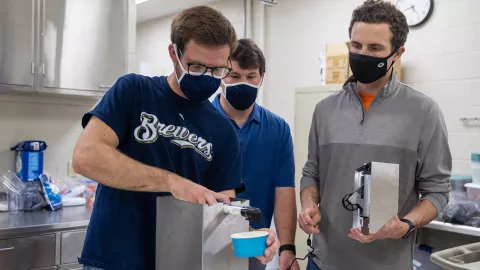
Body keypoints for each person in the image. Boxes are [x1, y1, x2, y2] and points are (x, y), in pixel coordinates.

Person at [72, 6, 279, 270]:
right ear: (174, 54)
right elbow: (86, 157)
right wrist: (171, 182)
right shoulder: (134, 91)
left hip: (180, 262)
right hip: (113, 259)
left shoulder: (223, 131)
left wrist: (255, 237)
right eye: (196, 66)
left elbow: (223, 213)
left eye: (217, 71)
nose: (207, 76)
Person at [298, 1, 451, 270]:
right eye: (356, 46)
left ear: (397, 52)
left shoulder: (424, 112)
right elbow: (312, 173)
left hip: (388, 264)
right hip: (324, 262)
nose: (362, 54)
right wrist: (308, 205)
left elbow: (437, 192)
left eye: (374, 48)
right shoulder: (325, 110)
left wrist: (407, 224)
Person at [212, 39, 299, 270]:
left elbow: (284, 192)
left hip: (253, 248)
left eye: (251, 77)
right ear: (220, 76)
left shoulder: (277, 129)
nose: (243, 83)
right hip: (203, 245)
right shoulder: (199, 122)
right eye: (234, 76)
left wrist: (287, 249)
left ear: (262, 77)